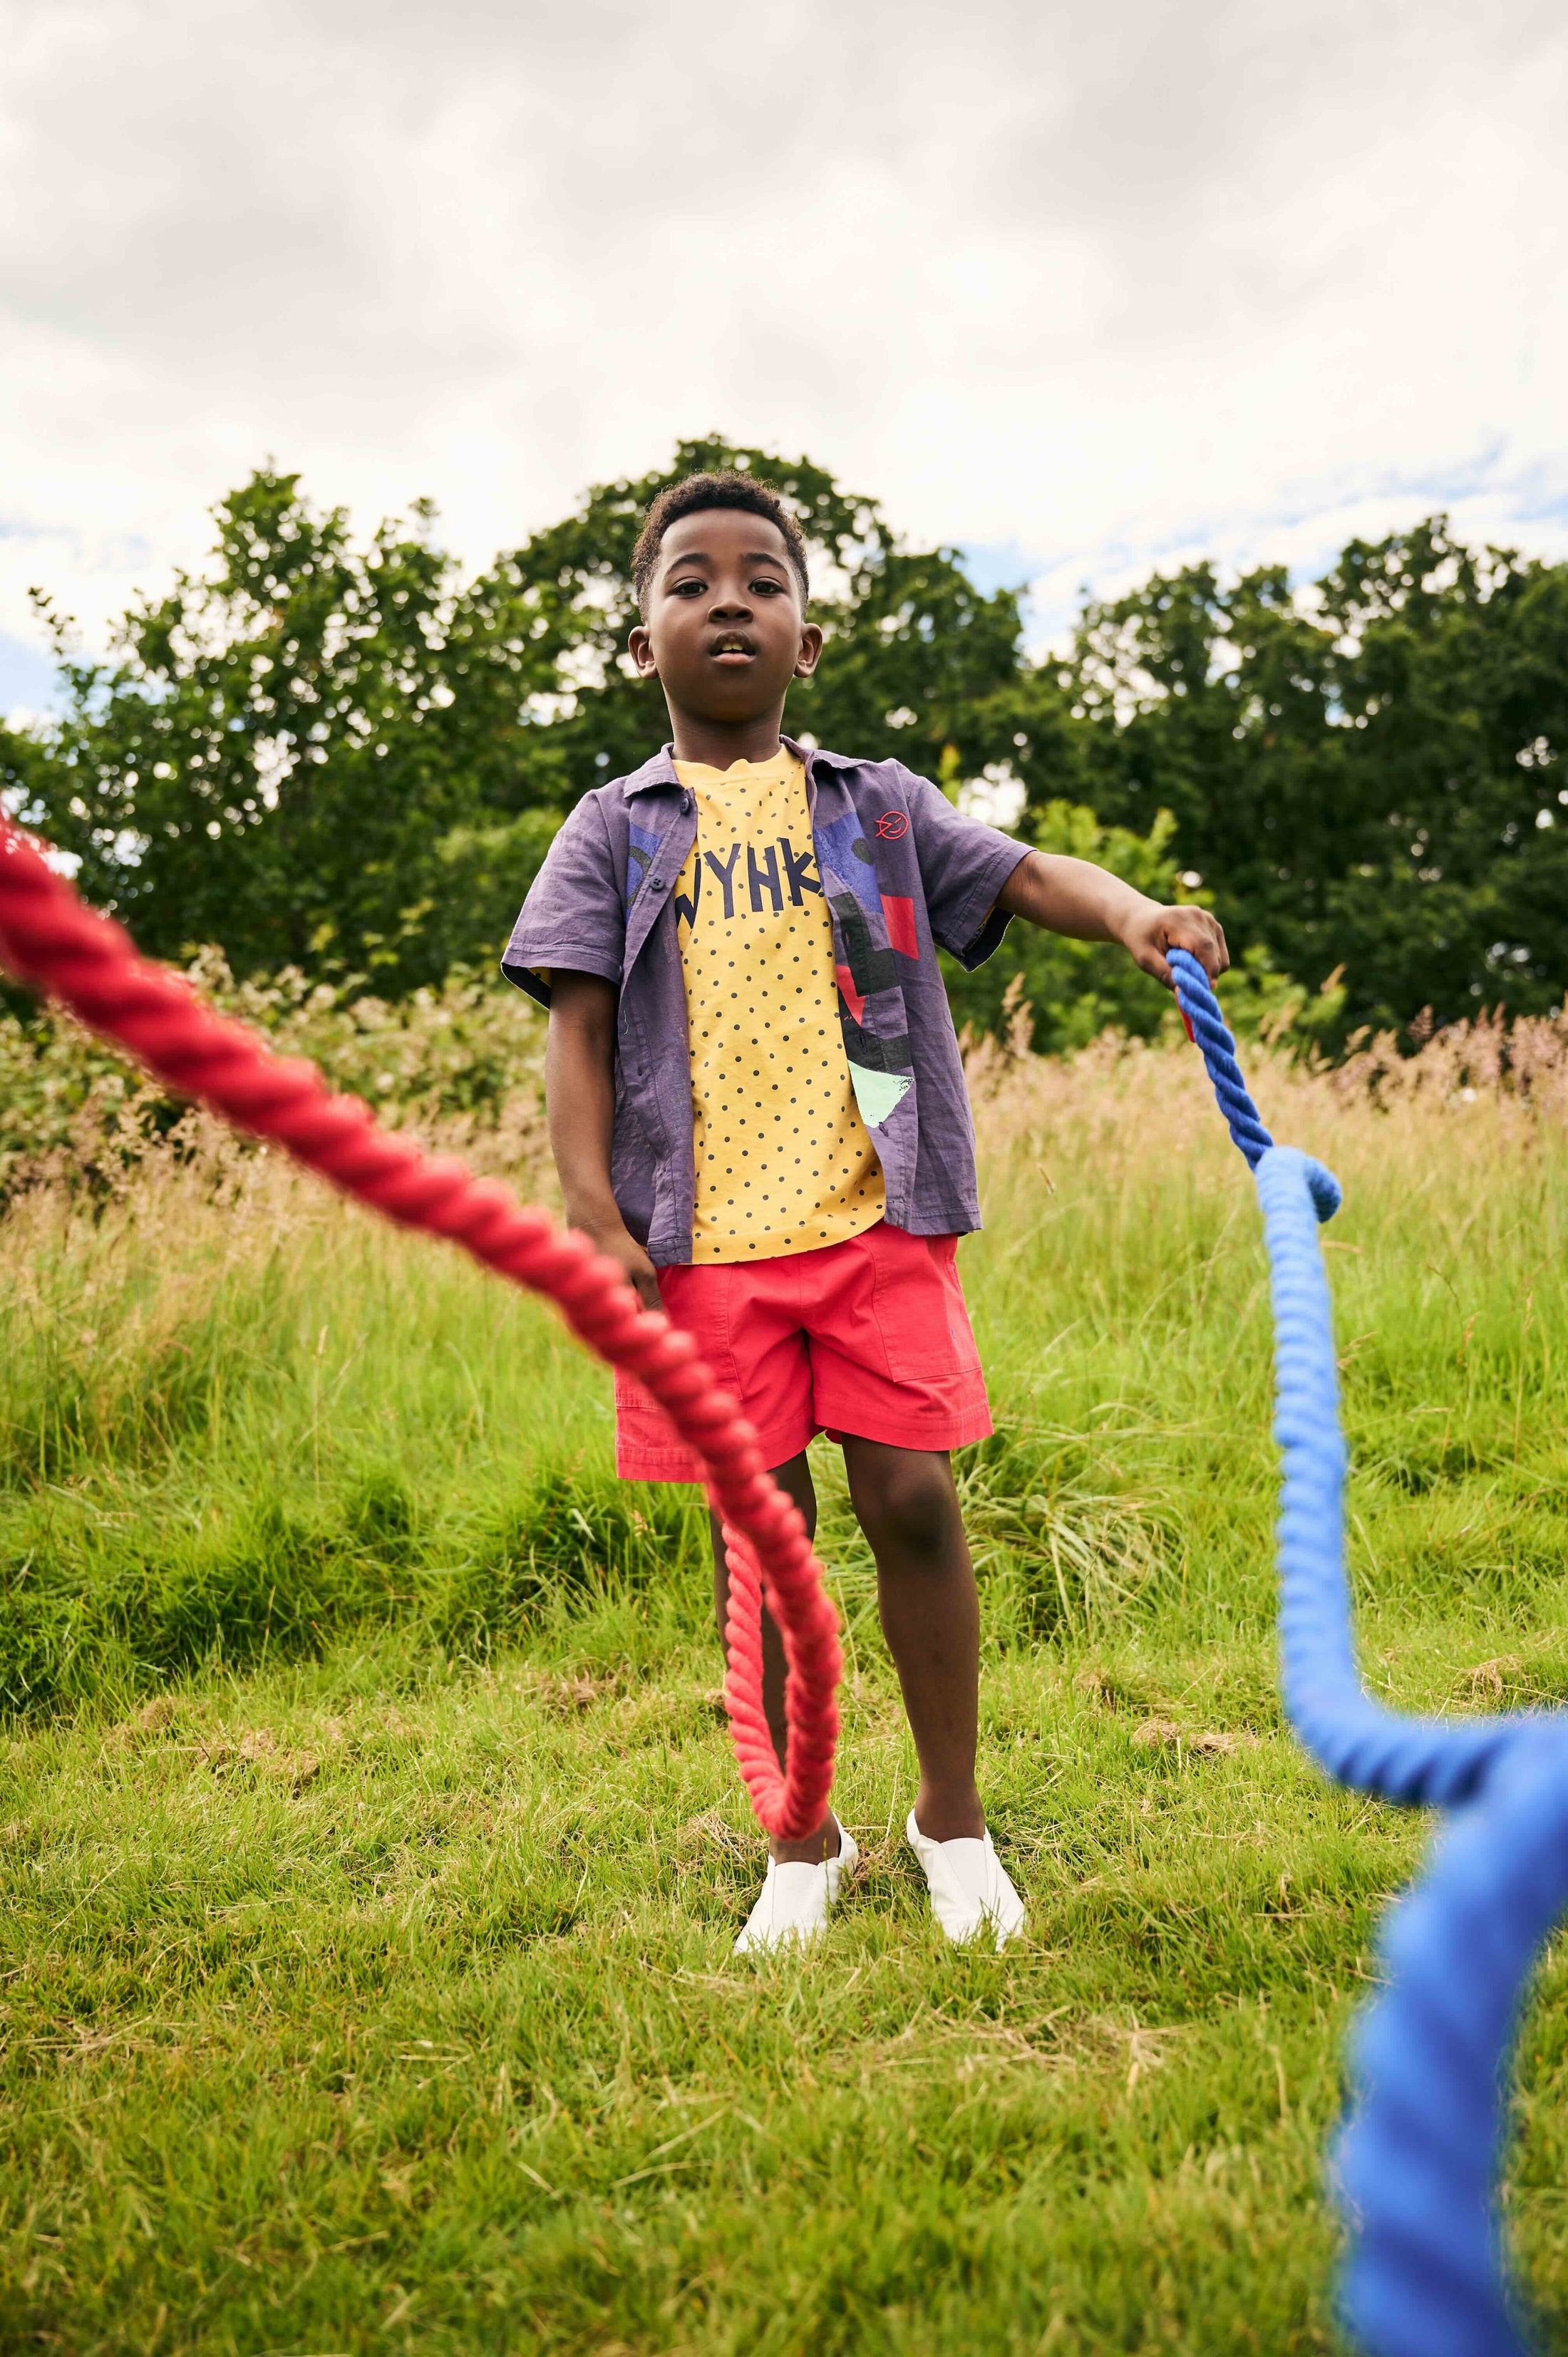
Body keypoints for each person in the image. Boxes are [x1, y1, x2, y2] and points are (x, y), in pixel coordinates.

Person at [502, 470, 1227, 1954]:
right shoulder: (612, 831)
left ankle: (950, 1818)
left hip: (870, 1223)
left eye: (761, 580)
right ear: (642, 639)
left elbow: (1025, 874)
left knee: (910, 1499)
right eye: (689, 582)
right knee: (761, 1550)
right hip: (700, 1250)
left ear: (806, 639)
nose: (727, 603)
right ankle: (799, 1839)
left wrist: (1137, 918)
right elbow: (575, 1030)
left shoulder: (873, 807)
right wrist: (588, 1207)